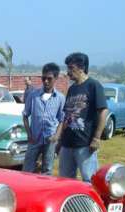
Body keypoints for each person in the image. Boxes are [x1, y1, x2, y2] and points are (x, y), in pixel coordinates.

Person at [58, 52, 107, 182]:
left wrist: (96, 138)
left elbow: (103, 111)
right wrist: (60, 139)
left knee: (90, 181)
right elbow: (66, 116)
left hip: (84, 145)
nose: (68, 72)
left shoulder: (94, 86)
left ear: (82, 68)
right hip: (67, 144)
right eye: (67, 68)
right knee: (65, 181)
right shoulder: (72, 89)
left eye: (71, 68)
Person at [22, 63, 65, 174]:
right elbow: (25, 115)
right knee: (28, 169)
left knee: (47, 170)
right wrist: (29, 134)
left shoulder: (60, 98)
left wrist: (56, 136)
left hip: (50, 140)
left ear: (55, 79)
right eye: (43, 78)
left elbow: (61, 119)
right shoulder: (33, 95)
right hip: (34, 139)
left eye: (49, 79)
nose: (46, 81)